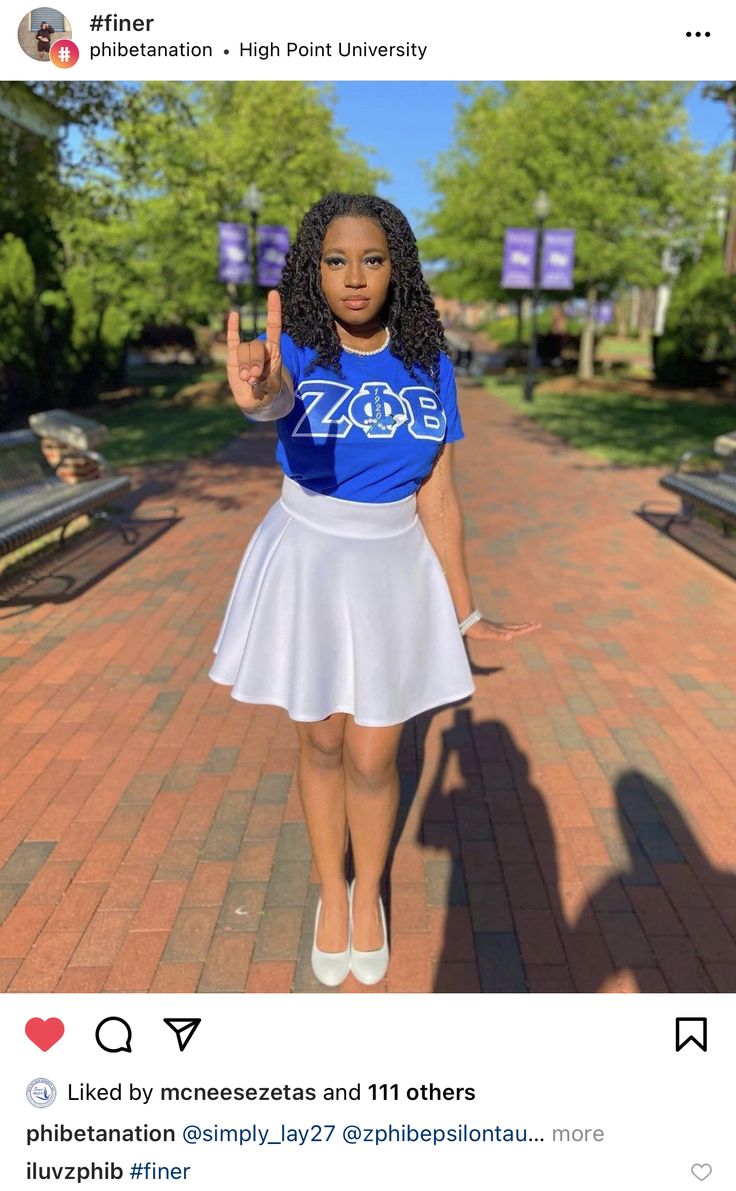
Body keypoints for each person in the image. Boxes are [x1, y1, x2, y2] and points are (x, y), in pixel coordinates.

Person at [210, 193, 541, 987]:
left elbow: (439, 495)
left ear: (397, 267)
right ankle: (335, 892)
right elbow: (272, 401)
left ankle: (371, 889)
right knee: (321, 739)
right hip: (310, 557)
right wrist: (256, 392)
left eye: (371, 259)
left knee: (373, 751)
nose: (354, 278)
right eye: (335, 260)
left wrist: (463, 607)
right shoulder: (295, 353)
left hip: (394, 561)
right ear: (311, 271)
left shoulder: (430, 364)